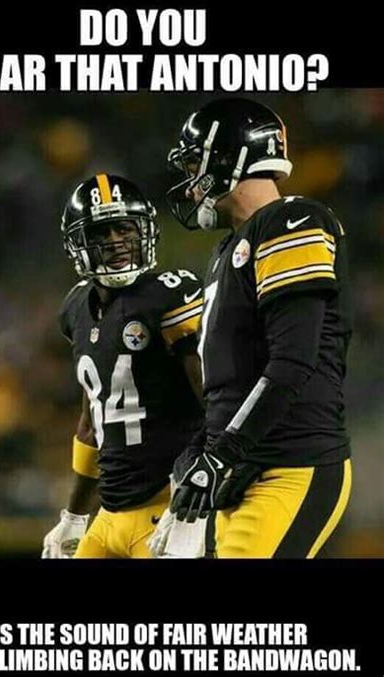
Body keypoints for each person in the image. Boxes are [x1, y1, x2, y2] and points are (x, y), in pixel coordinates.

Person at [150, 98, 352, 558]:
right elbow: (232, 379)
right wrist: (199, 452)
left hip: (289, 466)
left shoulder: (292, 221)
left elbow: (292, 362)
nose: (190, 184)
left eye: (194, 164)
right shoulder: (227, 250)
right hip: (240, 470)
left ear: (228, 158)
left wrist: (221, 453)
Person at [42, 173, 204, 558]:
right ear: (78, 244)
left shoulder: (169, 296)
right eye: (101, 233)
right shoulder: (76, 308)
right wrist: (74, 515)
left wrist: (197, 491)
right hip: (109, 514)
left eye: (124, 228)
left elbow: (216, 405)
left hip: (167, 505)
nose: (116, 241)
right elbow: (91, 425)